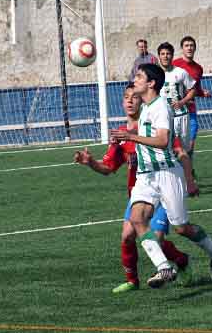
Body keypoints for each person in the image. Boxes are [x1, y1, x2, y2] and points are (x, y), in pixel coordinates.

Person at [111, 63, 212, 289]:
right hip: (146, 176)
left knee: (182, 227)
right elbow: (145, 127)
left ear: (151, 83)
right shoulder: (146, 106)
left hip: (166, 173)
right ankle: (164, 267)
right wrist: (131, 133)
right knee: (136, 219)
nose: (136, 79)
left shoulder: (161, 106)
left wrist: (131, 137)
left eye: (140, 76)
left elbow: (163, 141)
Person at [74, 84, 193, 293]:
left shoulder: (157, 126)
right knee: (127, 236)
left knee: (155, 238)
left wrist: (190, 180)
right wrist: (90, 162)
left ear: (143, 101)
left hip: (163, 191)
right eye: (126, 97)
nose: (130, 101)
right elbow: (108, 168)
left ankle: (180, 262)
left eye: (135, 97)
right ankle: (132, 280)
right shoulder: (121, 136)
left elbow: (180, 153)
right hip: (139, 194)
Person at [173, 36, 212, 160]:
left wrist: (202, 93)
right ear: (182, 48)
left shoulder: (198, 68)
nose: (189, 48)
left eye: (191, 45)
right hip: (175, 111)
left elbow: (195, 88)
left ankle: (189, 172)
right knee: (174, 145)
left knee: (190, 145)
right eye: (186, 45)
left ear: (195, 48)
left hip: (191, 110)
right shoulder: (174, 64)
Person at [158, 42, 196, 154]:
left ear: (172, 55)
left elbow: (192, 89)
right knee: (166, 149)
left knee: (185, 150)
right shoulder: (154, 73)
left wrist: (182, 101)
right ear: (159, 56)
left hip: (181, 115)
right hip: (163, 117)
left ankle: (187, 171)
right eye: (162, 53)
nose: (165, 56)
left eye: (168, 53)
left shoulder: (181, 72)